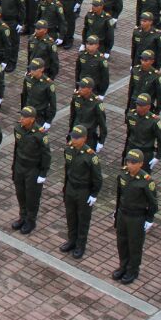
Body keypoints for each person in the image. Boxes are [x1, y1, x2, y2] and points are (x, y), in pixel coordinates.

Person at [113, 149, 158, 285]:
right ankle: (123, 266)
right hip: (123, 213)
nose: (130, 165)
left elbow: (153, 203)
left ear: (141, 164)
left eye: (133, 162)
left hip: (137, 217)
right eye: (128, 162)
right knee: (122, 242)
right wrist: (117, 211)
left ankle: (133, 270)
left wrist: (149, 219)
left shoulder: (146, 181)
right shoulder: (123, 174)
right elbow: (119, 194)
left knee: (134, 245)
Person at [61, 124, 102, 258]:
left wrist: (94, 194)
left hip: (84, 191)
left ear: (84, 138)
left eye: (77, 138)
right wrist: (65, 187)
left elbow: (97, 178)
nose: (73, 139)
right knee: (71, 216)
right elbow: (67, 170)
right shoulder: (68, 150)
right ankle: (72, 240)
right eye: (73, 137)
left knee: (83, 219)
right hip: (71, 188)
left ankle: (80, 245)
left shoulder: (90, 156)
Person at [11, 105, 52, 235]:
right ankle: (22, 217)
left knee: (32, 197)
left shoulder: (40, 134)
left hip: (33, 169)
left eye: (25, 117)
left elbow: (46, 155)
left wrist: (43, 173)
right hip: (20, 166)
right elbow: (17, 148)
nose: (21, 119)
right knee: (20, 193)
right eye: (21, 116)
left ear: (32, 119)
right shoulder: (18, 128)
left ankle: (30, 221)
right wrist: (14, 166)